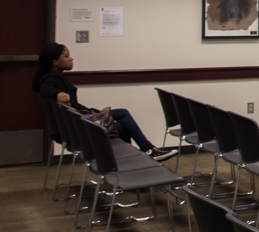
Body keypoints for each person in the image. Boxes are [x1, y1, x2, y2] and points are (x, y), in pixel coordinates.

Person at [32, 43, 177, 161]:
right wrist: (58, 93)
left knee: (121, 115)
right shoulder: (49, 79)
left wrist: (93, 111)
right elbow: (45, 89)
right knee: (119, 125)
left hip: (76, 123)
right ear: (55, 61)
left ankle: (143, 153)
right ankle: (140, 155)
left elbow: (75, 106)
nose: (71, 59)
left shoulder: (55, 77)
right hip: (75, 129)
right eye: (67, 56)